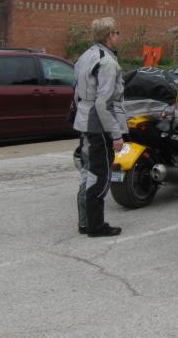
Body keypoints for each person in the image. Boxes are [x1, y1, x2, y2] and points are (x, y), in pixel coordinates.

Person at [73, 17, 127, 237]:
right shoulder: (107, 62)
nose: (118, 36)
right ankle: (96, 226)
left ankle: (85, 222)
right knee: (100, 175)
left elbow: (77, 92)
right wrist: (116, 134)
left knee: (87, 174)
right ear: (109, 35)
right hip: (99, 125)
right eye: (116, 32)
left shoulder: (86, 56)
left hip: (84, 120)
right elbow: (103, 102)